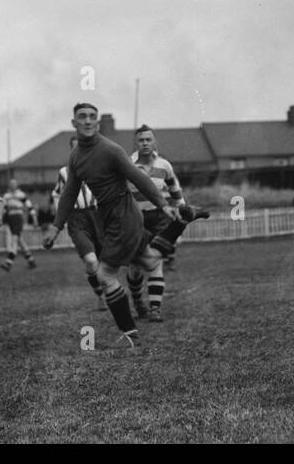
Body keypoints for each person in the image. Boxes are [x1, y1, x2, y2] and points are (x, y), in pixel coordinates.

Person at [44, 103, 208, 349]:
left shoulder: (110, 149)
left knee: (105, 275)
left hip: (124, 214)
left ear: (97, 123)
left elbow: (138, 177)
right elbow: (69, 193)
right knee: (150, 261)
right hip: (108, 216)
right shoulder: (76, 157)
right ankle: (183, 221)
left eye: (92, 117)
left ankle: (129, 333)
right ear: (74, 123)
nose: (88, 121)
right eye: (82, 117)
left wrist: (163, 205)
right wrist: (56, 228)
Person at [125, 125, 186, 322]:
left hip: (159, 219)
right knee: (135, 268)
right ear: (136, 143)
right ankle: (138, 302)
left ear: (154, 142)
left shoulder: (164, 165)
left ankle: (155, 309)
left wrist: (181, 208)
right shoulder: (127, 164)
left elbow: (174, 189)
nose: (145, 143)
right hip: (136, 221)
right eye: (141, 140)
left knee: (155, 262)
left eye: (148, 140)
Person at [50, 136, 106, 309]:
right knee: (90, 261)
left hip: (98, 216)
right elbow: (57, 194)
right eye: (75, 148)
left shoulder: (100, 166)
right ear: (71, 151)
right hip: (77, 219)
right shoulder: (64, 172)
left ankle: (109, 292)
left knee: (105, 261)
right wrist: (60, 215)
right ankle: (100, 295)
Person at [0, 179, 38, 271]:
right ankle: (31, 261)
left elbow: (29, 206)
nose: (12, 185)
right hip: (11, 219)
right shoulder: (6, 196)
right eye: (11, 184)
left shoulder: (21, 194)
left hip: (18, 217)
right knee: (19, 240)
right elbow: (3, 208)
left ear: (16, 185)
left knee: (15, 239)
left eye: (14, 184)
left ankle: (9, 262)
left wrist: (34, 218)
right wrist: (0, 218)